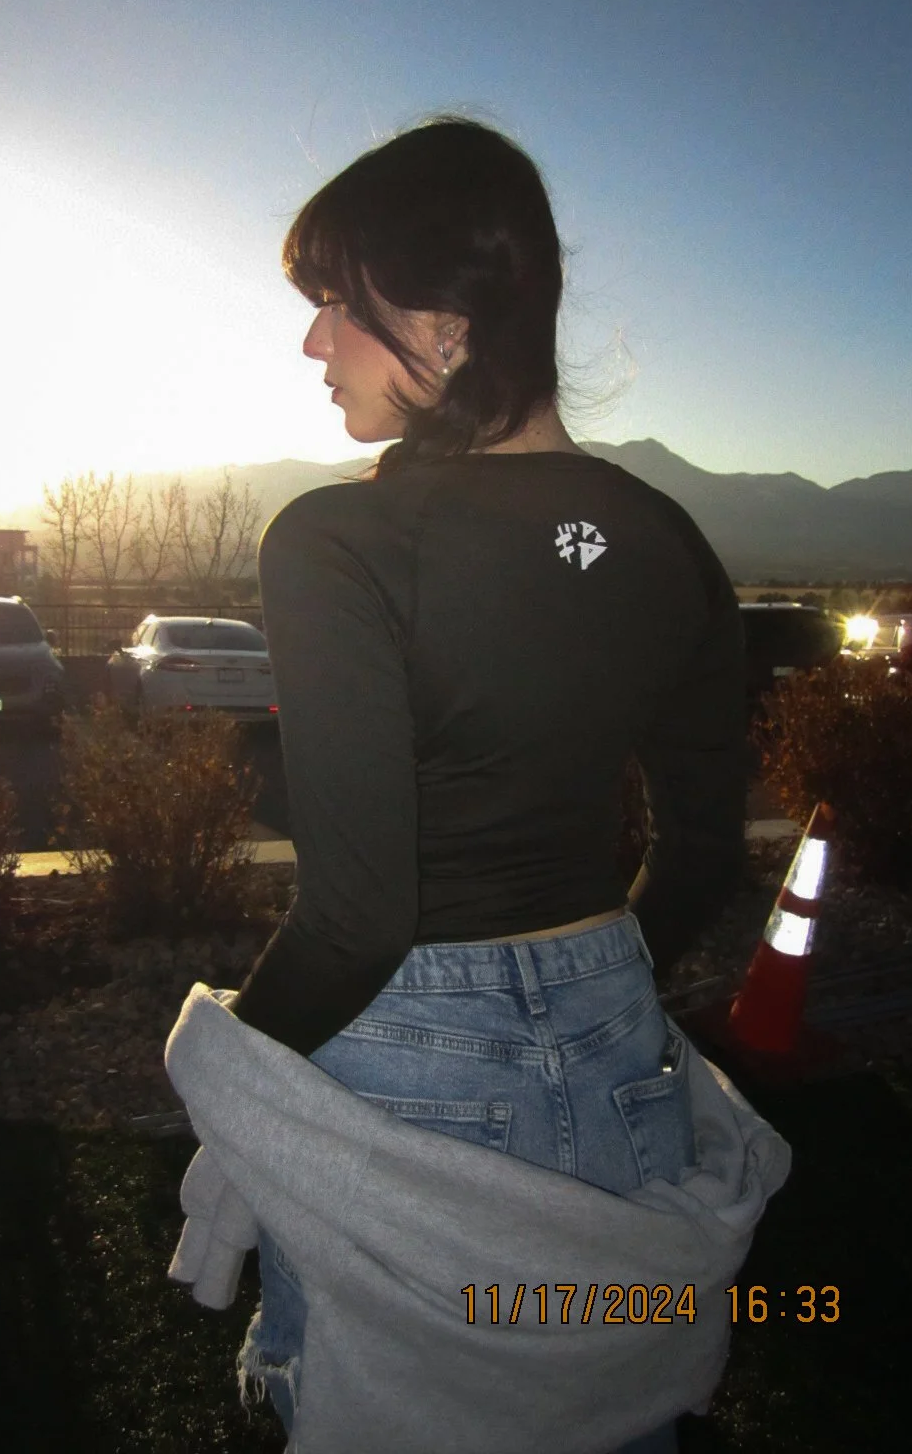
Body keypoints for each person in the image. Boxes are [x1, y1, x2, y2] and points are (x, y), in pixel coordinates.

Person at [225, 116, 748, 1452]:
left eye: (337, 304)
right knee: (603, 1405)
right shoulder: (671, 541)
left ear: (446, 326)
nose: (312, 342)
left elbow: (357, 919)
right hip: (621, 1039)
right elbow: (702, 853)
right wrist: (592, 984)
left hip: (400, 1062)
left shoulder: (338, 541)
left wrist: (230, 1073)